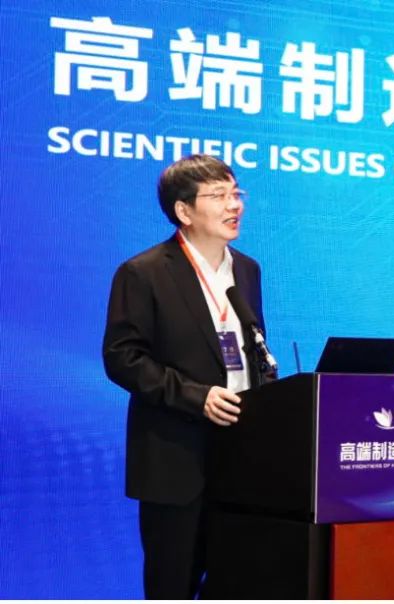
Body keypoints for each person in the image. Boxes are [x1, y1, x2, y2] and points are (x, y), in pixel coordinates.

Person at [103, 154, 270, 599]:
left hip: (241, 458)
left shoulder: (247, 270)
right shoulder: (144, 272)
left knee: (236, 580)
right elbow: (123, 358)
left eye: (236, 193)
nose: (234, 205)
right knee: (173, 584)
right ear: (184, 210)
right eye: (218, 196)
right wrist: (198, 397)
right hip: (174, 459)